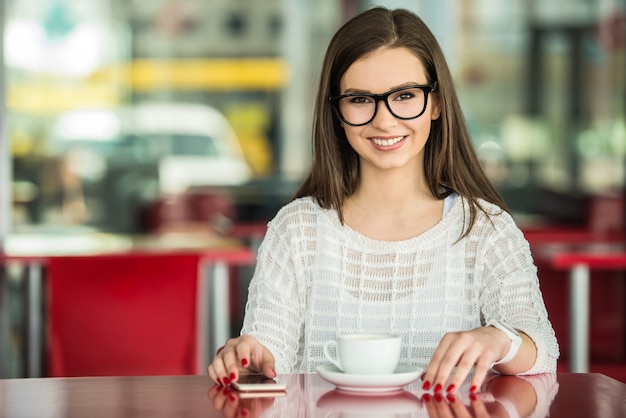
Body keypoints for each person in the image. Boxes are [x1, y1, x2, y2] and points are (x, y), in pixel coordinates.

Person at [208, 6, 559, 395]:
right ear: (336, 112)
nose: (385, 121)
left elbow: (540, 350)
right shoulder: (297, 230)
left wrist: (500, 339)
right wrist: (250, 358)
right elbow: (269, 355)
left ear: (437, 103)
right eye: (360, 100)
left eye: (405, 96)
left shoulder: (485, 228)